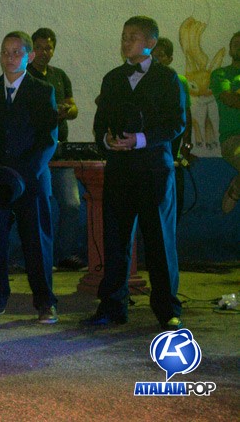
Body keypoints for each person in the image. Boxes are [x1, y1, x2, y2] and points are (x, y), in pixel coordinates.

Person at [84, 16, 185, 330]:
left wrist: (139, 140)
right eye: (124, 36)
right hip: (120, 171)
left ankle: (167, 309)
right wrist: (107, 141)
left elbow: (176, 123)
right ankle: (112, 306)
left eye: (133, 37)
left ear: (151, 43)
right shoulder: (112, 78)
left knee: (159, 241)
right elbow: (100, 124)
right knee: (115, 241)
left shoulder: (168, 79)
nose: (126, 41)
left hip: (154, 171)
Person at [0, 31, 59, 324]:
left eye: (16, 52)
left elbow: (48, 140)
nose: (9, 58)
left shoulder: (43, 91)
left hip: (31, 182)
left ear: (29, 57)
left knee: (37, 242)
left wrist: (23, 176)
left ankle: (45, 302)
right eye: (5, 52)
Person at [27, 28, 84, 270]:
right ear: (31, 50)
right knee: (41, 206)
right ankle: (40, 257)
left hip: (61, 152)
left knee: (71, 204)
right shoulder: (24, 76)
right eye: (39, 47)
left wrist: (66, 111)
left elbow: (74, 108)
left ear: (53, 50)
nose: (44, 52)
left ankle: (65, 255)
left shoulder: (60, 76)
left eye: (48, 48)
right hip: (35, 152)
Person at [152, 37, 196, 216]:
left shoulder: (179, 80)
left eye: (161, 55)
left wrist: (187, 143)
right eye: (153, 55)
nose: (156, 59)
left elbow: (186, 114)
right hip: (151, 143)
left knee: (175, 192)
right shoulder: (143, 81)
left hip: (173, 143)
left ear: (169, 59)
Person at [210, 31, 240, 213]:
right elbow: (229, 99)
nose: (239, 46)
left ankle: (236, 187)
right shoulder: (221, 74)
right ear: (230, 50)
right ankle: (235, 191)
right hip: (233, 138)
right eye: (235, 43)